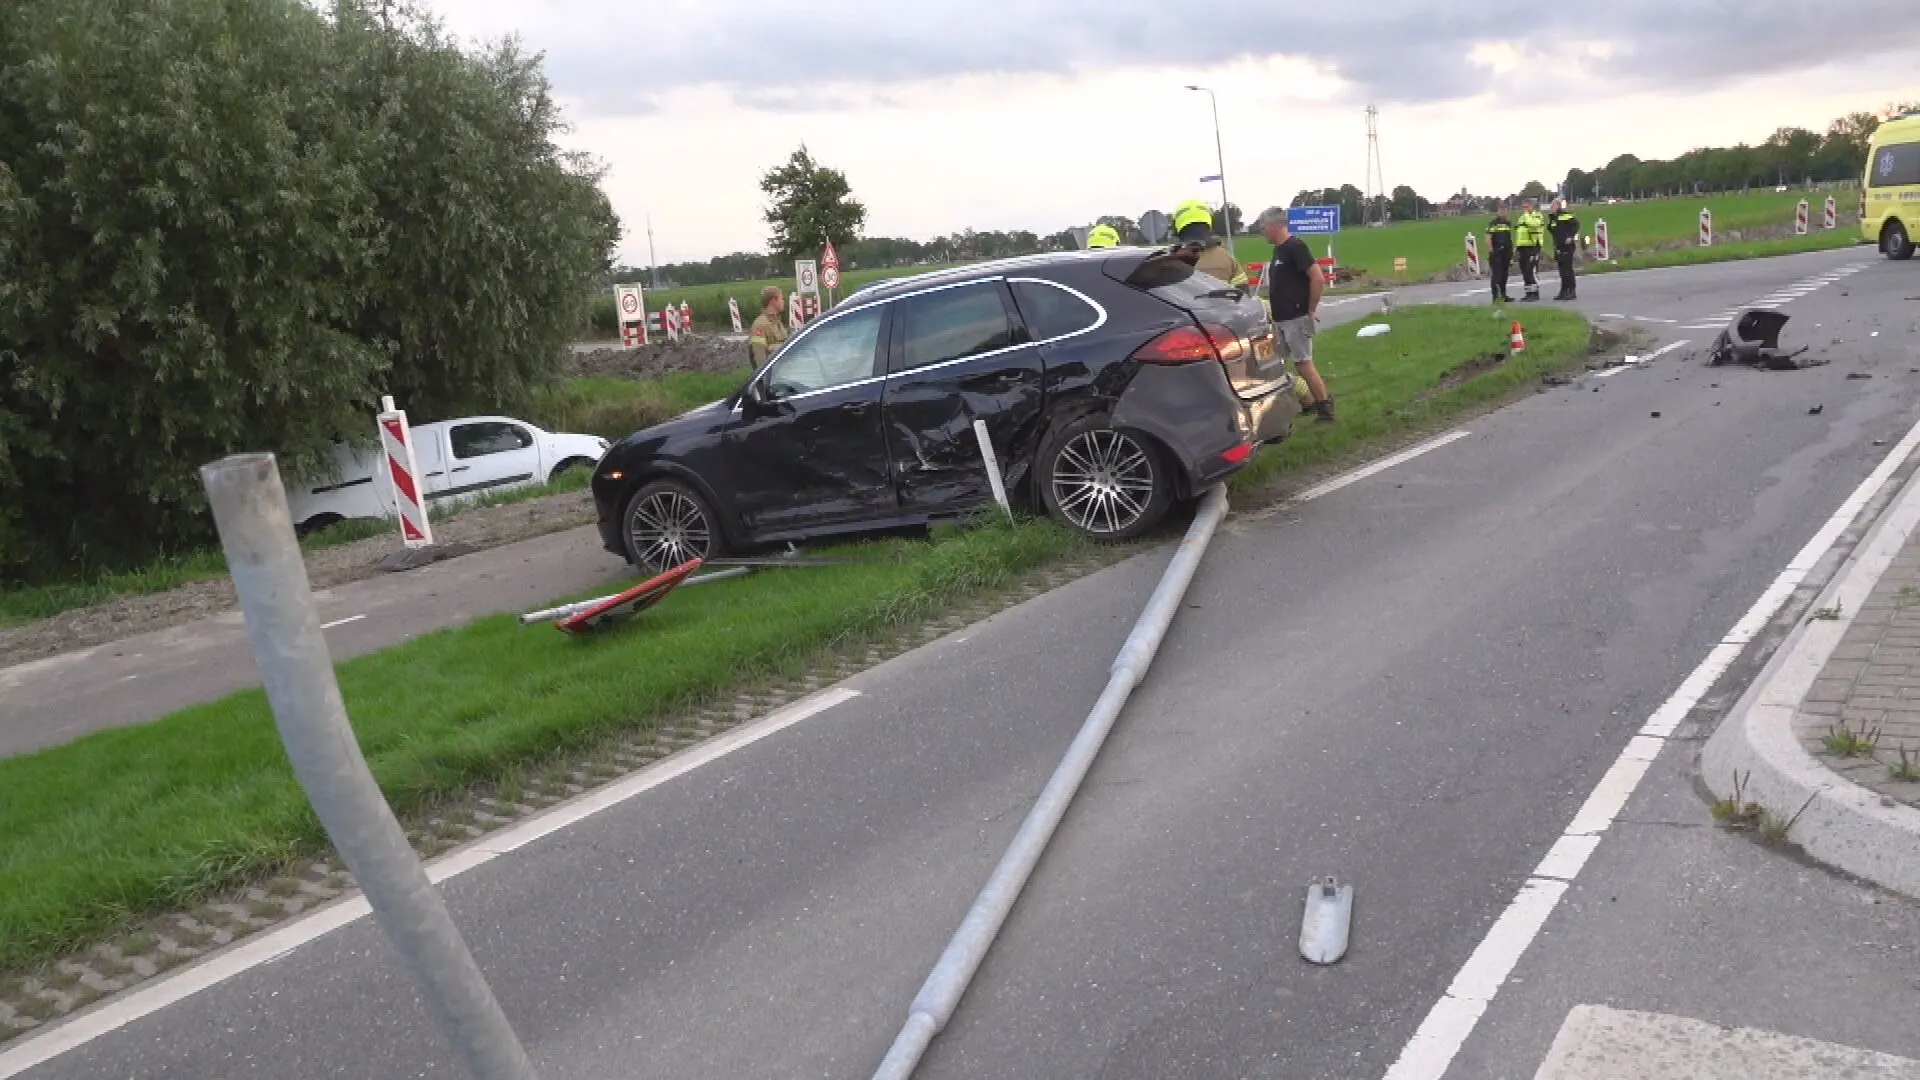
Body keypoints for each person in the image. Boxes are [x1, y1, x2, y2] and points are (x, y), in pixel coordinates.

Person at [1255, 206, 1333, 422]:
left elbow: (1317, 278)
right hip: (1281, 319)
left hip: (1296, 318)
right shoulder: (1278, 250)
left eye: (1263, 226)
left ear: (1275, 225)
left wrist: (1310, 309)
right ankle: (1306, 402)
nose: (1261, 231)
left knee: (1303, 363)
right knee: (1275, 363)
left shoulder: (1295, 247)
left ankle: (1324, 408)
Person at [1171, 199, 1248, 287]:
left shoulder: (1168, 262)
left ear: (1177, 224)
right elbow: (1243, 293)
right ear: (1208, 220)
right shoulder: (1227, 259)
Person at [1546, 198, 1581, 300]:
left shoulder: (1566, 215)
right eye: (1551, 206)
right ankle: (1563, 291)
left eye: (1553, 205)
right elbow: (1551, 229)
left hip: (1567, 246)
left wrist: (1570, 236)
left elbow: (1576, 225)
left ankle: (1571, 291)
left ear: (1558, 205)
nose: (1551, 207)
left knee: (1567, 269)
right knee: (1562, 270)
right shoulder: (1553, 218)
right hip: (1558, 246)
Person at [1513, 198, 1547, 302]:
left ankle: (1535, 293)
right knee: (1524, 270)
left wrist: (1527, 214)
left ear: (1532, 206)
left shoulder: (1537, 216)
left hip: (1533, 246)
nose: (1524, 209)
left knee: (1530, 270)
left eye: (1527, 207)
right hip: (1522, 246)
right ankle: (1528, 293)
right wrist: (1517, 247)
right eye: (1523, 207)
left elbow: (1533, 225)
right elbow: (1519, 232)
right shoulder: (1522, 217)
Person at [748, 286, 789, 366]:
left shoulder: (777, 322)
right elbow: (760, 358)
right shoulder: (760, 325)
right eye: (782, 299)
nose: (783, 301)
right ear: (773, 301)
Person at [1485, 208, 1515, 302]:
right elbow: (1488, 238)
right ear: (1499, 212)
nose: (1505, 213)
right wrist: (1491, 252)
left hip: (1506, 253)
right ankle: (1496, 297)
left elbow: (1508, 239)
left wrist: (1511, 254)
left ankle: (1503, 295)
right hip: (1497, 253)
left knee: (1504, 275)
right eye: (1503, 211)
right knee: (1497, 275)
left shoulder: (1507, 224)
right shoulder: (1494, 223)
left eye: (1506, 211)